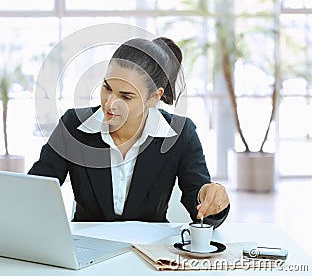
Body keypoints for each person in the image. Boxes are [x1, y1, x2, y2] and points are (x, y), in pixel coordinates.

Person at [29, 37, 230, 228]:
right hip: (87, 247)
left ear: (153, 97)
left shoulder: (180, 133)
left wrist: (210, 199)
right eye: (107, 88)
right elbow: (37, 188)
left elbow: (199, 202)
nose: (109, 103)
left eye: (126, 97)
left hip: (150, 250)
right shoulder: (73, 125)